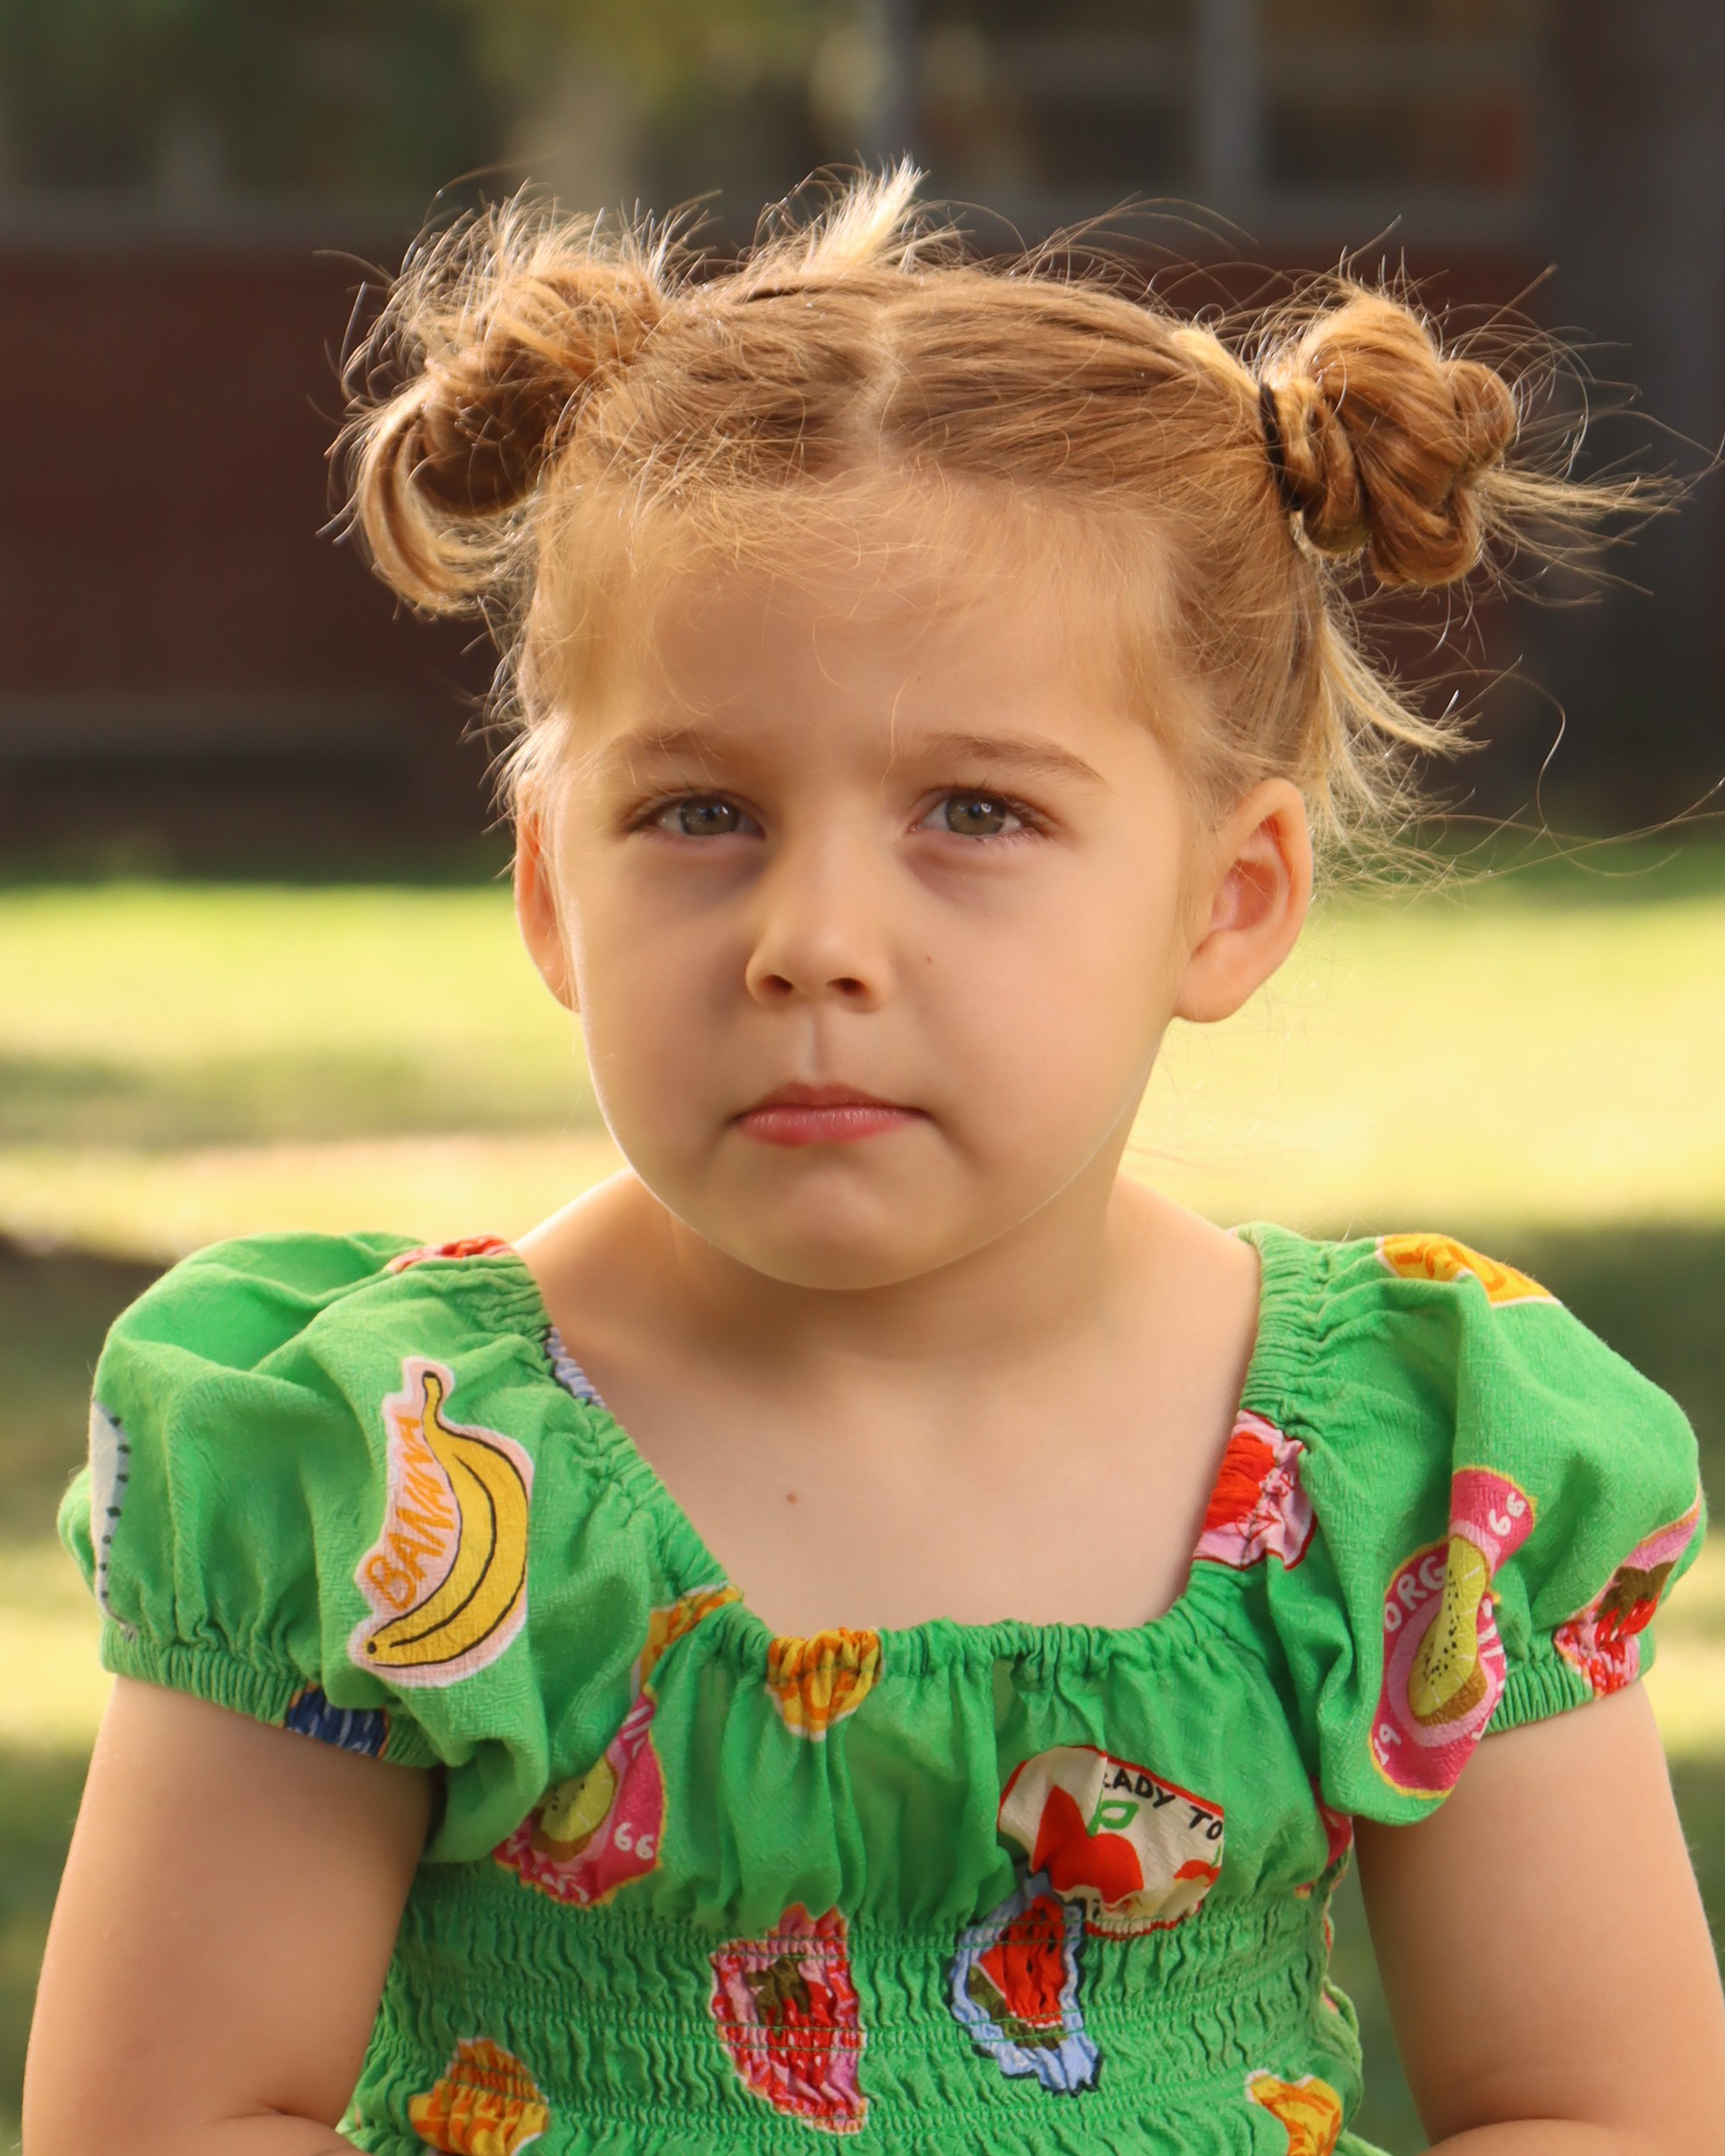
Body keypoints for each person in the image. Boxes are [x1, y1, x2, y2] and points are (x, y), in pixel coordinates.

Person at [25, 169, 1725, 2156]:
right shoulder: (392, 1478)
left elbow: (1598, 2109)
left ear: (1230, 899)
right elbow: (172, 2117)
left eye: (975, 813)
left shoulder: (1414, 1479)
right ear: (551, 886)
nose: (814, 937)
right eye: (700, 812)